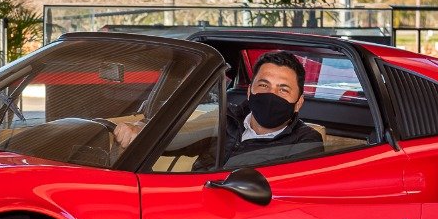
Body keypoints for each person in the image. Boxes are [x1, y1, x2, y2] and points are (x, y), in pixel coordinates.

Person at [114, 50, 324, 168]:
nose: (271, 94)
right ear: (250, 92)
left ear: (298, 103)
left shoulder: (305, 142)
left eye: (283, 89)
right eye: (264, 85)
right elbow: (176, 136)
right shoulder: (225, 116)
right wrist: (141, 129)